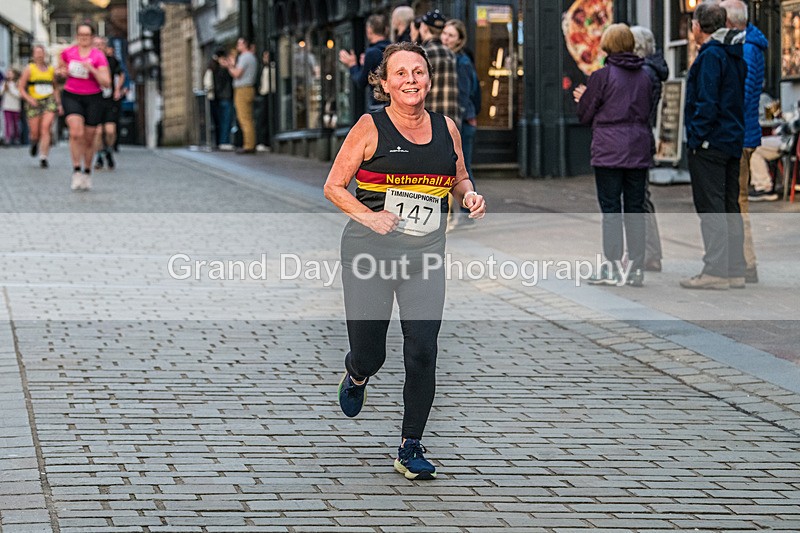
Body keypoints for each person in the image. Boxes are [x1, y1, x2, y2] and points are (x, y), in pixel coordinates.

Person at [323, 42, 486, 481]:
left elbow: (458, 175)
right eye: (401, 73)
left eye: (419, 72)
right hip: (368, 254)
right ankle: (356, 374)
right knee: (371, 352)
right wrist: (371, 218)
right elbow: (334, 186)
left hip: (425, 256)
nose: (411, 80)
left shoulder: (446, 127)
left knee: (423, 350)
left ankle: (410, 444)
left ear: (429, 79)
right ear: (384, 82)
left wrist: (468, 194)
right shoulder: (369, 127)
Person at [574, 23, 653, 287]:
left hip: (609, 150)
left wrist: (584, 98)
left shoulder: (602, 76)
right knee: (635, 208)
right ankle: (636, 268)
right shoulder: (646, 76)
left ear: (607, 45)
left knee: (611, 209)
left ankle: (612, 267)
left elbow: (585, 114)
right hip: (639, 148)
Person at [681, 2, 747, 290]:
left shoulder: (710, 56)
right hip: (732, 138)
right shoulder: (735, 53)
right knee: (729, 205)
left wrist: (696, 137)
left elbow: (706, 102)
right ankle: (734, 269)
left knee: (712, 207)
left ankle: (716, 271)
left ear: (698, 26)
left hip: (711, 142)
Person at [721, 0, 768, 284]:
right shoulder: (748, 44)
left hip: (740, 134)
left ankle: (746, 263)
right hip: (744, 132)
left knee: (738, 202)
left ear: (730, 22)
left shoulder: (747, 48)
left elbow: (744, 93)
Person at [57, 23, 111, 191]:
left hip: (93, 97)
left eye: (87, 35)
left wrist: (92, 70)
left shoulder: (98, 56)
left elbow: (107, 82)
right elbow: (59, 71)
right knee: (75, 132)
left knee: (89, 138)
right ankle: (76, 170)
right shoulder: (68, 53)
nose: (83, 38)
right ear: (76, 36)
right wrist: (61, 73)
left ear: (92, 37)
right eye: (81, 34)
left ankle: (87, 171)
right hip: (72, 95)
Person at [631, 25, 667, 273]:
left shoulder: (645, 72)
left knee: (640, 198)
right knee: (641, 197)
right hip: (640, 138)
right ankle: (649, 252)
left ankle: (649, 253)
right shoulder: (651, 70)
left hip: (637, 140)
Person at [442, 19, 481, 223]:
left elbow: (465, 94)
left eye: (451, 35)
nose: (445, 38)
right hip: (460, 120)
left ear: (459, 40)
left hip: (463, 122)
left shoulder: (462, 62)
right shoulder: (450, 58)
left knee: (463, 169)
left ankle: (469, 211)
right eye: (445, 33)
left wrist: (462, 118)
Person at [339, 14, 392, 113]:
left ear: (369, 30)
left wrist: (352, 65)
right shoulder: (393, 48)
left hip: (378, 104)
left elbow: (361, 81)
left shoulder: (372, 53)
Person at [18, 45, 60, 168]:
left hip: (48, 100)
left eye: (41, 53)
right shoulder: (29, 69)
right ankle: (34, 142)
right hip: (34, 101)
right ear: (33, 55)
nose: (39, 55)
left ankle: (43, 157)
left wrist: (58, 103)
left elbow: (55, 87)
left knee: (45, 128)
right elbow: (21, 88)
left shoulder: (50, 69)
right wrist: (29, 99)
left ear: (45, 54)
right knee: (35, 132)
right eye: (37, 53)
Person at [419, 10, 460, 125]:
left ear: (424, 28)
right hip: (451, 119)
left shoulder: (423, 54)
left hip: (429, 118)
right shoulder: (450, 54)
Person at [221, 38, 257, 154]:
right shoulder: (251, 57)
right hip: (249, 88)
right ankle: (250, 143)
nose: (237, 46)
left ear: (245, 44)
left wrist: (229, 67)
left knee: (244, 118)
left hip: (243, 89)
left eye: (239, 44)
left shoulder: (244, 57)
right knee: (248, 117)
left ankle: (249, 145)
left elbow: (237, 74)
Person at [93, 37, 125, 170]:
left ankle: (109, 150)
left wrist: (118, 89)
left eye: (101, 44)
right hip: (94, 100)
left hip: (109, 100)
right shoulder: (90, 61)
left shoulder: (111, 61)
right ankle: (100, 156)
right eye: (96, 44)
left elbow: (121, 74)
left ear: (105, 47)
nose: (99, 47)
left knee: (110, 131)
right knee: (98, 132)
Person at [255, 50, 274, 152]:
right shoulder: (264, 68)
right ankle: (262, 141)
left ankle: (265, 141)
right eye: (264, 56)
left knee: (266, 118)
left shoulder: (272, 68)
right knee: (262, 118)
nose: (265, 58)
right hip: (264, 94)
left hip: (269, 94)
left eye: (267, 56)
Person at [2, 69, 22, 145]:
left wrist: (10, 89)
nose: (8, 75)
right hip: (6, 107)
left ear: (14, 74)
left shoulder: (18, 83)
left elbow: (19, 95)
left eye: (10, 73)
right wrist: (4, 88)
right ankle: (7, 139)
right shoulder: (4, 83)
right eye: (8, 73)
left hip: (16, 107)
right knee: (7, 123)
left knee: (15, 123)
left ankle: (16, 138)